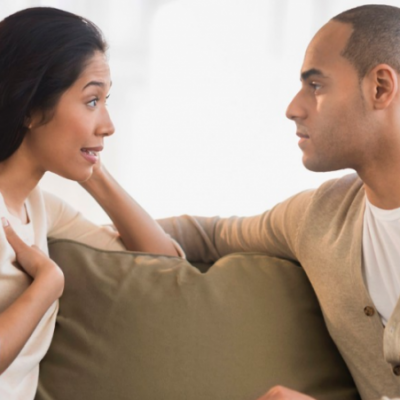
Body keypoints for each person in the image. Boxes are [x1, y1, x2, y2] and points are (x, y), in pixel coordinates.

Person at [157, 4, 400, 400]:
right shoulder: (320, 217)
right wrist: (56, 225)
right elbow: (205, 234)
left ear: (380, 88)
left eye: (316, 86)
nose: (293, 108)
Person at [0, 7, 181, 400]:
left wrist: (93, 171)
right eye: (91, 101)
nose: (109, 124)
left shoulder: (40, 207)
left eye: (106, 100)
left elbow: (163, 264)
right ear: (30, 107)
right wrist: (47, 286)